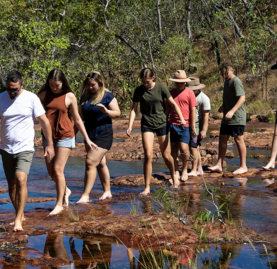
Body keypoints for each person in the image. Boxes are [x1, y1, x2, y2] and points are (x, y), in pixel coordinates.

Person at [0, 70, 54, 231]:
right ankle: (20, 214)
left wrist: (50, 144)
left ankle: (18, 220)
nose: (12, 92)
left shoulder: (31, 98)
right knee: (11, 184)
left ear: (22, 85)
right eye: (9, 89)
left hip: (25, 147)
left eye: (15, 89)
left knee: (21, 179)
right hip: (6, 148)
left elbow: (44, 121)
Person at [37, 69, 99, 216]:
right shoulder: (43, 94)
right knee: (51, 172)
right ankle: (66, 190)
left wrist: (87, 139)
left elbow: (77, 119)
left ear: (63, 82)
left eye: (57, 85)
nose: (54, 88)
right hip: (48, 136)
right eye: (51, 85)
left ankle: (59, 204)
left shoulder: (69, 96)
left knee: (58, 170)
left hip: (65, 135)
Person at [127, 67, 183, 194]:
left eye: (147, 82)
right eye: (143, 82)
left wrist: (181, 118)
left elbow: (173, 103)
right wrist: (130, 126)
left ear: (153, 78)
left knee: (166, 155)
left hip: (162, 123)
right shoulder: (139, 90)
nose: (145, 84)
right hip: (147, 124)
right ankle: (147, 187)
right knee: (148, 155)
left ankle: (174, 174)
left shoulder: (161, 88)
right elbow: (133, 109)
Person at [76, 72, 121, 204]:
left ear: (100, 84)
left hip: (104, 134)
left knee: (90, 162)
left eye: (93, 85)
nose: (90, 87)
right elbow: (80, 118)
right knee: (101, 163)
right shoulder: (84, 97)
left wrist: (106, 111)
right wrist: (71, 134)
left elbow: (117, 113)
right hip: (89, 135)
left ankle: (85, 195)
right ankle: (107, 191)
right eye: (88, 85)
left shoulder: (107, 96)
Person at [209, 62, 247, 175]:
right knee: (222, 139)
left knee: (238, 139)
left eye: (225, 73)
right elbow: (230, 97)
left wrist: (231, 111)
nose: (224, 75)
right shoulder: (226, 82)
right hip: (227, 117)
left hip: (237, 117)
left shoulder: (236, 81)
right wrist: (223, 106)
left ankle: (243, 166)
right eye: (222, 73)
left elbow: (242, 98)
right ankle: (219, 164)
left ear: (232, 71)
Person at [166, 70, 197, 183]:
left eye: (182, 82)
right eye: (178, 82)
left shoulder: (190, 93)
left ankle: (184, 169)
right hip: (172, 125)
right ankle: (175, 171)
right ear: (174, 82)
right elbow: (167, 109)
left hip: (186, 125)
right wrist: (165, 121)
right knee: (173, 149)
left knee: (184, 149)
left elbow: (193, 110)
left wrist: (192, 127)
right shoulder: (170, 93)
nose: (180, 84)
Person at [187, 77, 211, 177]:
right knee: (195, 148)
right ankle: (199, 168)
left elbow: (206, 115)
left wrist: (203, 130)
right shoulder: (188, 94)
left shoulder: (204, 98)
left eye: (193, 89)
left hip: (198, 124)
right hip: (188, 123)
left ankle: (194, 169)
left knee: (193, 147)